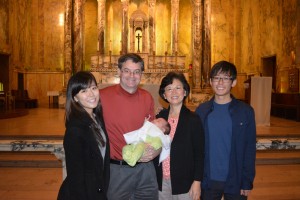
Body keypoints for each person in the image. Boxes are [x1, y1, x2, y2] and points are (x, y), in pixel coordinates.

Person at [100, 53, 161, 200]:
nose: (131, 75)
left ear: (142, 74)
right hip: (117, 169)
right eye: (127, 70)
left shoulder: (147, 97)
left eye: (137, 71)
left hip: (146, 169)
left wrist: (156, 151)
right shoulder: (102, 96)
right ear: (119, 71)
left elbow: (152, 132)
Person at [195, 61, 256, 200]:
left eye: (226, 78)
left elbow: (249, 149)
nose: (220, 82)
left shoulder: (245, 112)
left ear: (233, 82)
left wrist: (247, 181)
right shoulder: (202, 111)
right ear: (211, 81)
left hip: (236, 178)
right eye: (216, 78)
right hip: (208, 179)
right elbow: (196, 148)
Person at [57, 71, 110, 200]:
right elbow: (75, 176)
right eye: (84, 91)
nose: (91, 94)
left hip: (96, 189)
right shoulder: (75, 130)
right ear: (75, 97)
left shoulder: (96, 118)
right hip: (83, 194)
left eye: (93, 88)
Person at [154, 72, 205, 200]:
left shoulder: (193, 119)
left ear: (185, 92)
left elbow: (200, 153)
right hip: (160, 180)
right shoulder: (160, 117)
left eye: (178, 88)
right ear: (164, 94)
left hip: (184, 182)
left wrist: (197, 182)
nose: (174, 92)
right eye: (169, 89)